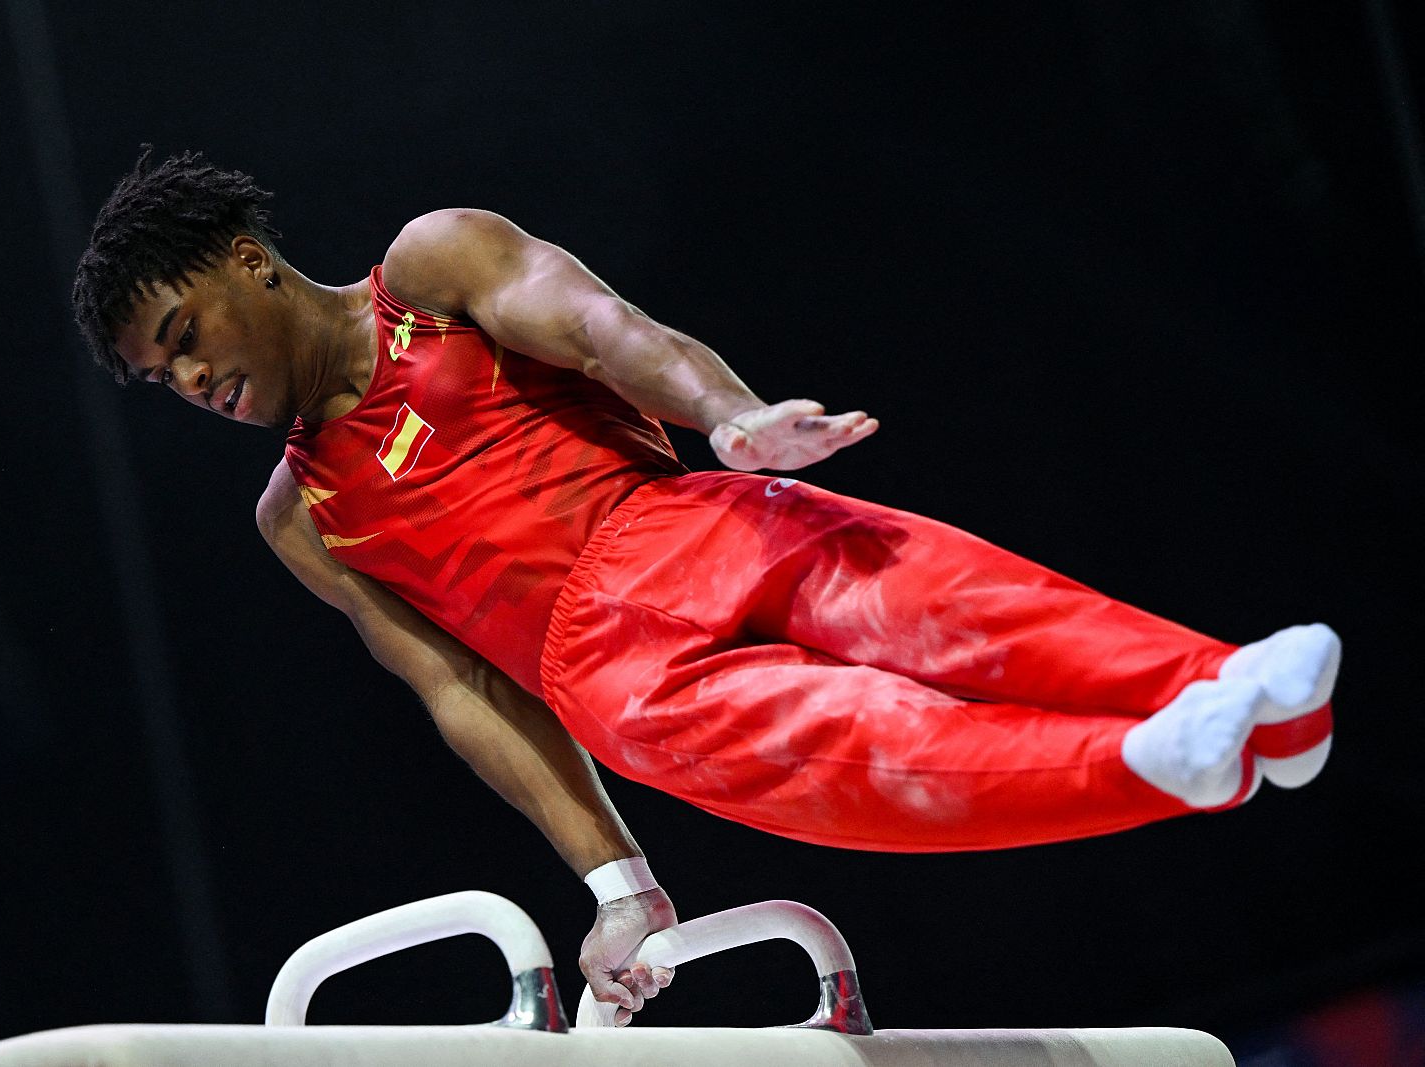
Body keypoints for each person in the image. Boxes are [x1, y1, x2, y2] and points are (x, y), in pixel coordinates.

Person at [71, 148, 1340, 1026]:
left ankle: (1234, 690)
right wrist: (619, 887)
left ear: (247, 261)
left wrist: (728, 417)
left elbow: (595, 321)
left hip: (677, 521)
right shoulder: (302, 518)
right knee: (879, 753)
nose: (187, 382)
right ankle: (1167, 758)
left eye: (183, 335)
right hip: (618, 681)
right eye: (157, 379)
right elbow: (462, 693)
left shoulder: (432, 266)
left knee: (934, 593)